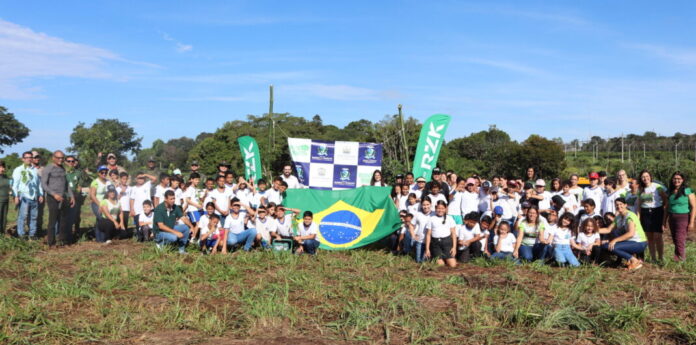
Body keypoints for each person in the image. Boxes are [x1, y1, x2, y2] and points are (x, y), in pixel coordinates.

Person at [598, 197, 648, 270]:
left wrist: (615, 240)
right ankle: (629, 260)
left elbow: (631, 233)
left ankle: (634, 261)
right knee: (606, 246)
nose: (618, 206)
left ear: (625, 205)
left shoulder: (630, 216)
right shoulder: (618, 217)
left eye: (621, 204)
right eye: (616, 205)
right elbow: (608, 229)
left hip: (639, 243)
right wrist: (594, 230)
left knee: (613, 246)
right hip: (629, 242)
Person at [41, 150, 75, 247]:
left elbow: (66, 184)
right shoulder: (48, 168)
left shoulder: (63, 169)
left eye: (62, 158)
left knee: (63, 220)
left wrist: (71, 196)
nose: (60, 160)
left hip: (63, 197)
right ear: (53, 158)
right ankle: (51, 242)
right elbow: (44, 184)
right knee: (53, 220)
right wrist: (54, 194)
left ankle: (62, 241)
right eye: (58, 158)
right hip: (53, 198)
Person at [636, 170, 667, 262]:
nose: (645, 178)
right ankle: (653, 258)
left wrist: (664, 216)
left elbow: (665, 201)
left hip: (657, 212)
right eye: (643, 177)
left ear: (650, 176)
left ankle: (660, 257)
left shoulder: (658, 187)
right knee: (649, 237)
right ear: (641, 179)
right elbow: (639, 205)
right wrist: (638, 218)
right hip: (645, 213)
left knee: (658, 236)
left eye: (647, 176)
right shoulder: (640, 190)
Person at [663, 172, 696, 261]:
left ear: (682, 180)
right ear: (672, 180)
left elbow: (694, 207)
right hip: (672, 218)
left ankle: (682, 260)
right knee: (675, 239)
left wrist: (692, 222)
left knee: (679, 240)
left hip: (683, 218)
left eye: (679, 179)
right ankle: (677, 258)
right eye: (675, 178)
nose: (676, 180)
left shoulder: (687, 190)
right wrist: (664, 221)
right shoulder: (669, 191)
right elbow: (667, 207)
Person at [12, 151, 44, 239]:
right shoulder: (19, 170)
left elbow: (38, 184)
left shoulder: (35, 170)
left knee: (34, 217)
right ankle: (21, 234)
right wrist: (16, 196)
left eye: (30, 157)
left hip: (34, 197)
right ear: (23, 159)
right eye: (27, 157)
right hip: (24, 197)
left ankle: (32, 234)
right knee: (23, 216)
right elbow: (15, 185)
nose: (29, 159)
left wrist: (40, 194)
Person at [424, 200, 457, 267]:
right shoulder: (431, 219)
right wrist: (427, 249)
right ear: (435, 209)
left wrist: (454, 247)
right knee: (440, 265)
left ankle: (447, 258)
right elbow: (428, 235)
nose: (440, 210)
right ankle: (437, 258)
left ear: (445, 209)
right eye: (438, 208)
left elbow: (453, 234)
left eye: (442, 208)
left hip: (447, 243)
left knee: (452, 265)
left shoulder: (449, 218)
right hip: (436, 244)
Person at [65, 156, 88, 236]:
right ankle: (65, 231)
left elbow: (80, 185)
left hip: (75, 195)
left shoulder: (79, 173)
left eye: (72, 161)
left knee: (76, 214)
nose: (71, 163)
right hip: (65, 196)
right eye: (69, 161)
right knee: (65, 215)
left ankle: (76, 231)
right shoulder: (63, 172)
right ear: (65, 162)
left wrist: (77, 194)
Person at [89, 165, 111, 239]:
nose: (104, 174)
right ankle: (102, 237)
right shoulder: (95, 182)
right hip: (96, 203)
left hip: (106, 204)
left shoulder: (108, 182)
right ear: (98, 173)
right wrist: (100, 205)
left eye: (105, 172)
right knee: (102, 219)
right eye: (102, 172)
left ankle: (100, 239)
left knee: (100, 220)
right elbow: (92, 195)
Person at [0, 161, 9, 235]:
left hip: (6, 200)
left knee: (4, 218)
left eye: (3, 167)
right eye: (0, 167)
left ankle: (2, 233)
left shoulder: (6, 177)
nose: (2, 169)